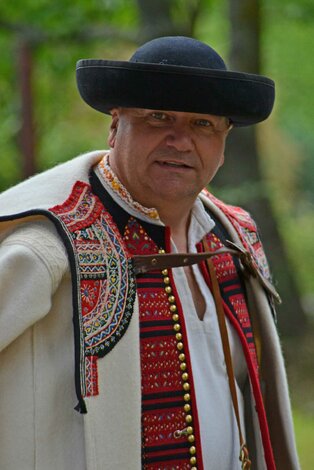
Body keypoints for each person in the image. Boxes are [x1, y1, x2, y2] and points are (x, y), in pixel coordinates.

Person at [0, 36, 299, 470]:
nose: (180, 140)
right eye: (158, 117)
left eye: (202, 124)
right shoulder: (46, 248)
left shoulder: (234, 238)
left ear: (224, 139)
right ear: (115, 125)